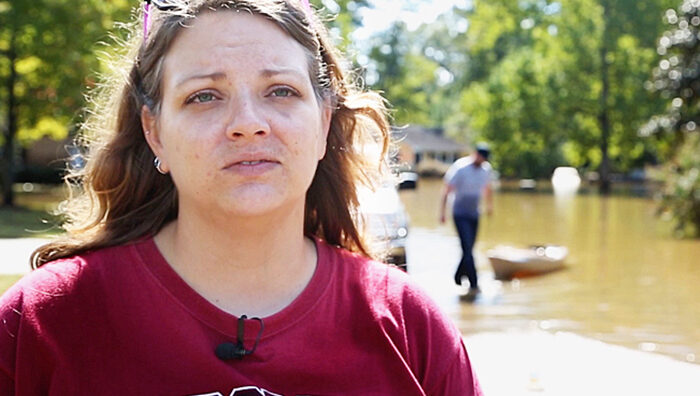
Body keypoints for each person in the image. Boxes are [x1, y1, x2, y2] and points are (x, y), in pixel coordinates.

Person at [0, 1, 482, 394]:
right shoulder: (42, 323)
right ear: (155, 133)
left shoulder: (411, 327)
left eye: (280, 91)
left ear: (324, 123)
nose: (248, 123)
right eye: (204, 96)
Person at [439, 144, 494, 299]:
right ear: (475, 154)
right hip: (460, 213)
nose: (481, 161)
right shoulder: (460, 168)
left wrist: (490, 206)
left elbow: (488, 188)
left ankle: (458, 276)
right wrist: (442, 213)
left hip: (474, 213)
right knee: (468, 249)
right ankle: (474, 284)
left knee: (469, 248)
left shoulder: (486, 169)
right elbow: (447, 190)